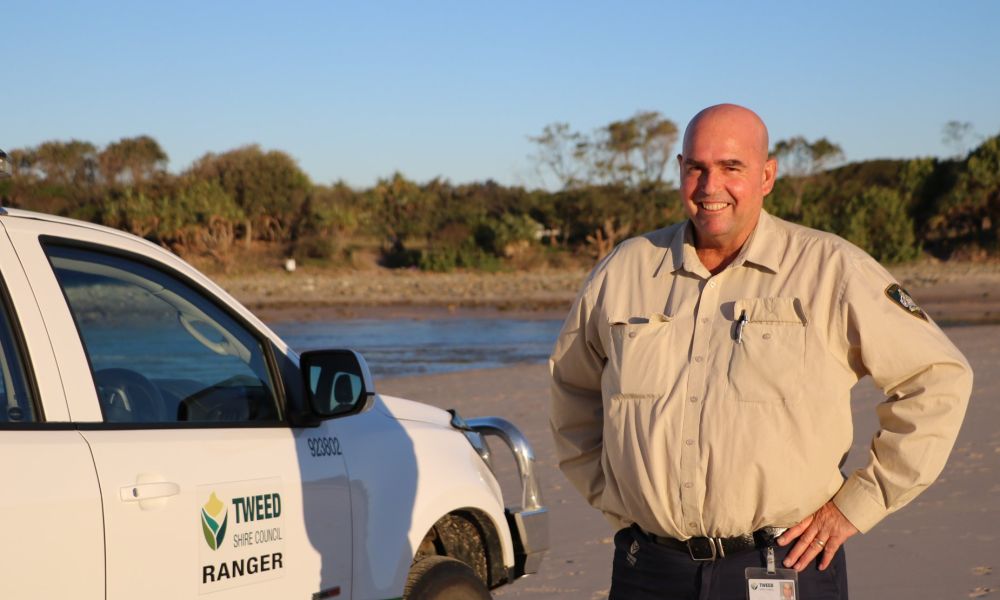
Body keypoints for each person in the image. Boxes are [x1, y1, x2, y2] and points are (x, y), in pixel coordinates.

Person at [549, 104, 972, 599]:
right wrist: (614, 497)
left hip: (786, 562)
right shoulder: (625, 271)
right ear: (680, 169)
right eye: (697, 168)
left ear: (767, 175)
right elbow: (572, 388)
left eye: (732, 168)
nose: (710, 187)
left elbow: (937, 377)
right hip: (649, 571)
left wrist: (856, 505)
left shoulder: (830, 269)